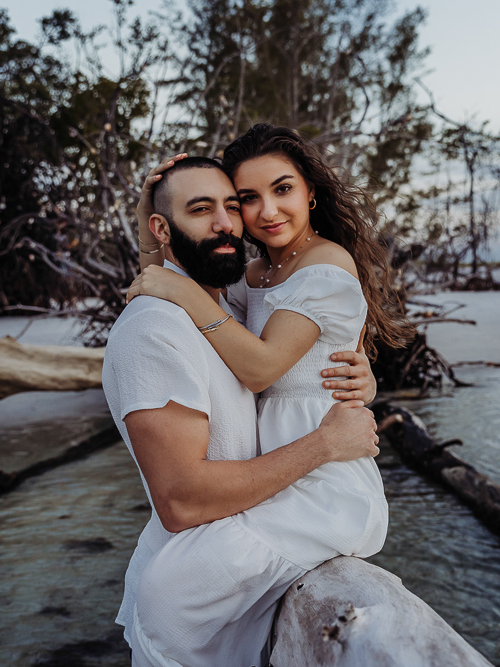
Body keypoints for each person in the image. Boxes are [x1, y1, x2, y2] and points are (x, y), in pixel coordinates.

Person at [126, 124, 415, 663]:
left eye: (282, 189)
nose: (266, 212)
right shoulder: (255, 271)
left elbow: (259, 368)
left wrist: (185, 291)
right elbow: (163, 281)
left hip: (323, 482)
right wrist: (152, 216)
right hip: (272, 471)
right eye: (248, 199)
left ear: (310, 191)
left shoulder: (326, 266)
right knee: (165, 571)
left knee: (177, 587)